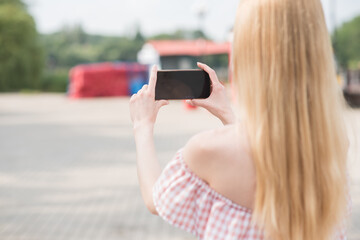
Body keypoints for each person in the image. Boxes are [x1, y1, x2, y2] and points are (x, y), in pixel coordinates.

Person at [129, 0, 351, 239]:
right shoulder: (335, 145)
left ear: (247, 53)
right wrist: (228, 115)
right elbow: (271, 159)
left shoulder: (207, 151)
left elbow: (156, 199)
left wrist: (142, 126)